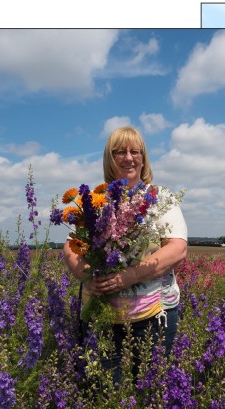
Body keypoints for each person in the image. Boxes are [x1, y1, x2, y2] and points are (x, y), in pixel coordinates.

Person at [63, 126, 188, 384]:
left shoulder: (160, 197)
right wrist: (86, 275)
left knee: (148, 393)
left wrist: (127, 277)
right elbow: (71, 247)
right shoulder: (98, 199)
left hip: (152, 318)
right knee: (103, 391)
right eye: (119, 151)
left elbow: (177, 249)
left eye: (135, 151)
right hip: (101, 318)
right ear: (110, 159)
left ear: (143, 158)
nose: (128, 157)